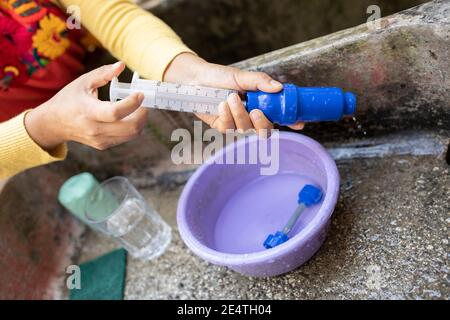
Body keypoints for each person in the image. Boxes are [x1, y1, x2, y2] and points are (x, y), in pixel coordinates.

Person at [0, 0, 303, 179]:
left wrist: (185, 71)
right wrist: (44, 126)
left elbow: (109, 15)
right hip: (24, 165)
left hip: (83, 94)